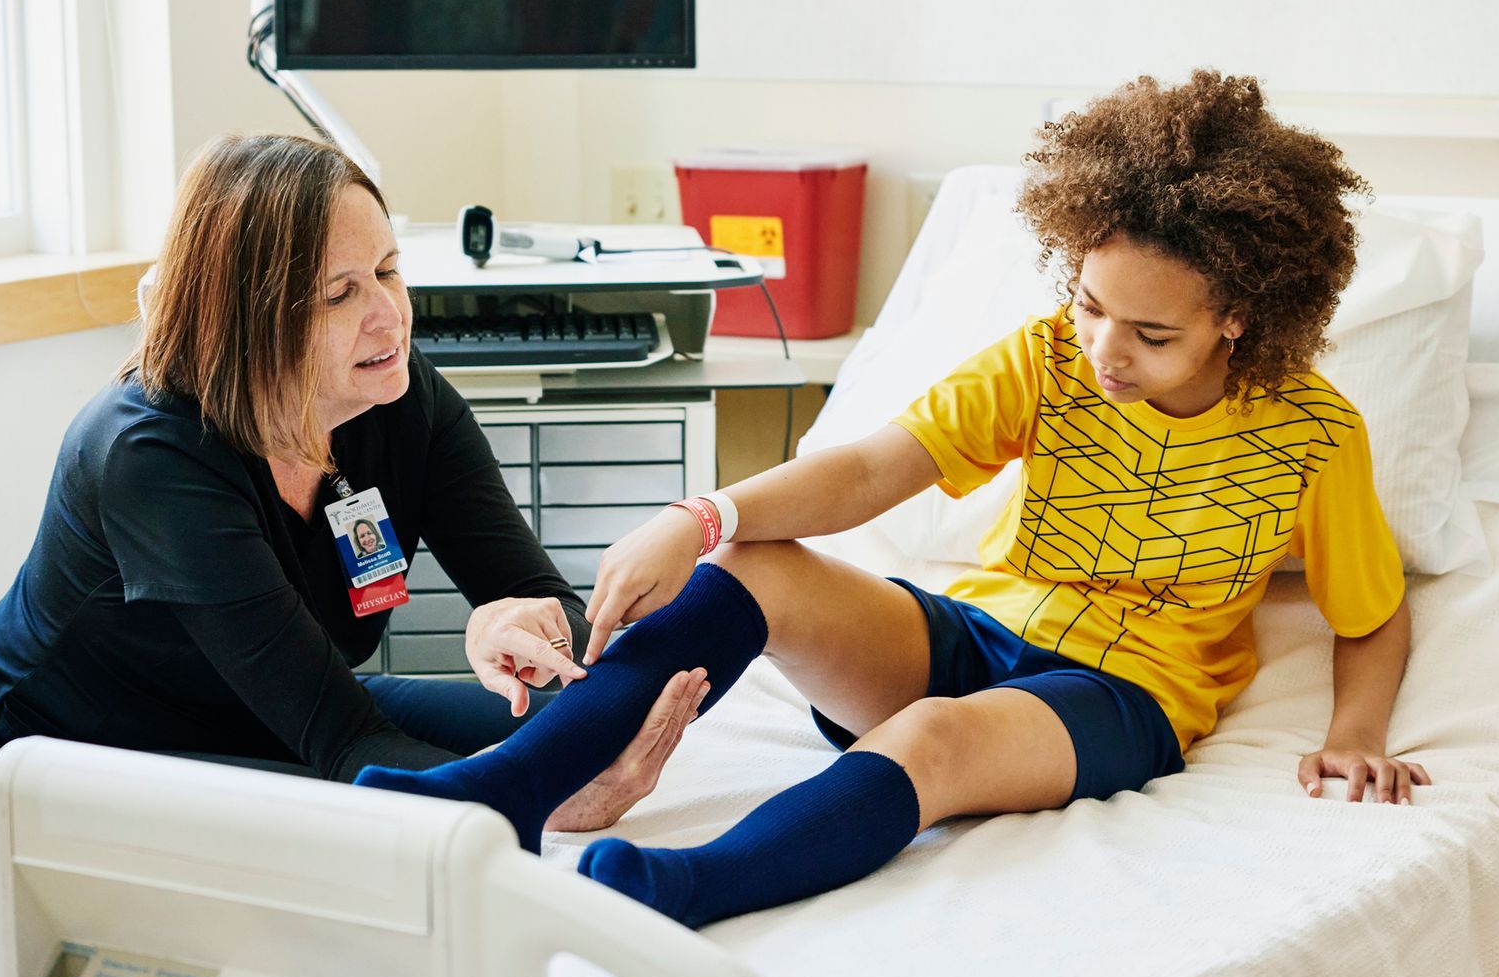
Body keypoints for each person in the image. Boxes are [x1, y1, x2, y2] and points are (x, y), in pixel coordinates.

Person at [360, 71, 1428, 922]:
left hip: (1122, 699)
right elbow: (873, 467)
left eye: (1151, 335)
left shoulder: (1312, 434)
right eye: (1093, 307)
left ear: (1239, 315)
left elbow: (1371, 616)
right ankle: (500, 793)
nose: (1106, 350)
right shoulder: (1050, 357)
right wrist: (700, 518)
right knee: (753, 567)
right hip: (981, 631)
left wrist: (1357, 731)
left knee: (927, 742)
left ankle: (687, 890)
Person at [0, 133, 706, 834]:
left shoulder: (400, 398)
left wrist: (516, 624)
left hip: (275, 713)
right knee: (512, 785)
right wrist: (537, 797)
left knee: (600, 721)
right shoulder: (149, 455)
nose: (390, 315)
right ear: (249, 317)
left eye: (387, 270)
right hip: (61, 754)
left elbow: (559, 621)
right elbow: (348, 740)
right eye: (339, 293)